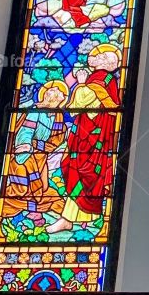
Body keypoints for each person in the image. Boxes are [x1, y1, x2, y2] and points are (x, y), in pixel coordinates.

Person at [48, 43, 122, 234]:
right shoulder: (102, 78)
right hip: (88, 133)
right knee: (83, 174)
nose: (93, 57)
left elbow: (80, 102)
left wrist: (81, 82)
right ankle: (82, 218)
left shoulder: (102, 78)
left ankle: (69, 219)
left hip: (91, 137)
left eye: (98, 56)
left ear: (106, 62)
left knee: (83, 173)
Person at [3, 80, 69, 211]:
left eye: (60, 92)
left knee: (43, 189)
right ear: (49, 97)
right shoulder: (35, 111)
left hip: (41, 157)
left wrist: (38, 145)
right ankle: (24, 205)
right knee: (21, 190)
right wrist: (27, 145)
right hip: (25, 156)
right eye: (55, 91)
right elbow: (26, 131)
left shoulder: (58, 117)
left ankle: (30, 204)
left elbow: (56, 141)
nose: (59, 92)